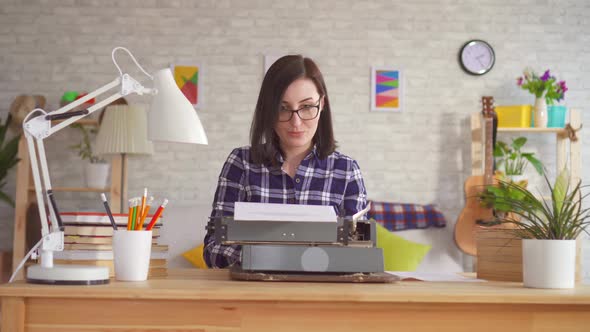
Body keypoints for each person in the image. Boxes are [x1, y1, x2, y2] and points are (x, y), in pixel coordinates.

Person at [203, 55, 368, 268]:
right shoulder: (241, 163)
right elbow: (214, 249)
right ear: (268, 110)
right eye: (283, 108)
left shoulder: (346, 171)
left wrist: (272, 254)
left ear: (322, 104)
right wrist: (272, 259)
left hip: (323, 295)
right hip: (254, 294)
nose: (296, 122)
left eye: (307, 106)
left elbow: (360, 251)